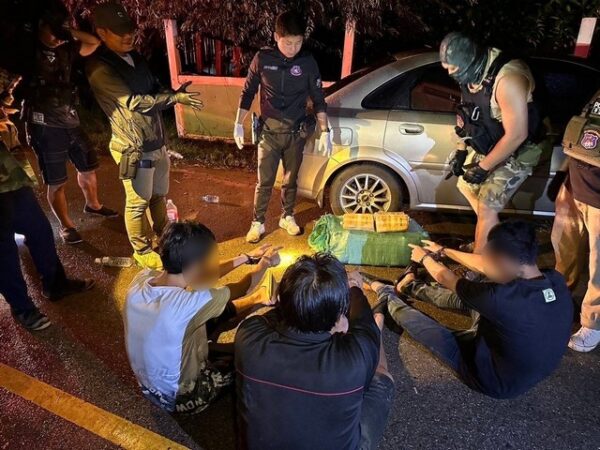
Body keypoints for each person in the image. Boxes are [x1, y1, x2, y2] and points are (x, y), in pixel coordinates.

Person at [366, 221, 572, 399]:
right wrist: (442, 250)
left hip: (492, 379)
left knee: (422, 327)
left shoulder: (499, 299)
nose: (484, 261)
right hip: (514, 356)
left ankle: (386, 293)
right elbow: (483, 267)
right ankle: (410, 286)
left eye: (489, 257)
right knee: (477, 290)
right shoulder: (554, 280)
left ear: (503, 260)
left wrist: (424, 259)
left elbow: (445, 277)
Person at [235, 253, 394, 450]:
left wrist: (296, 295)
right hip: (350, 345)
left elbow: (278, 314)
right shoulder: (354, 358)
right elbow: (365, 324)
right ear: (337, 314)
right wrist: (353, 287)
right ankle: (378, 319)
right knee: (382, 374)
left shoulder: (248, 335)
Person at [86, 1, 203, 269]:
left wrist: (172, 93)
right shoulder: (99, 68)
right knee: (138, 201)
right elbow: (134, 101)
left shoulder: (135, 57)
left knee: (159, 195)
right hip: (133, 146)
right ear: (102, 32)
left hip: (155, 141)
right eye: (119, 31)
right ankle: (141, 249)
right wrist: (174, 98)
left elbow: (154, 86)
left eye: (129, 29)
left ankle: (166, 239)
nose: (128, 35)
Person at [124, 221, 281, 414]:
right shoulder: (187, 305)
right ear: (196, 265)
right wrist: (265, 263)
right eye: (210, 259)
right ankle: (257, 300)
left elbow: (201, 274)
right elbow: (244, 286)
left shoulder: (142, 279)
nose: (212, 263)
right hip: (179, 397)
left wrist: (246, 258)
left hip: (149, 384)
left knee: (207, 310)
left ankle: (259, 297)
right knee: (251, 358)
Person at [0, 67, 94, 331]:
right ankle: (23, 307)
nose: (11, 93)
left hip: (10, 176)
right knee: (3, 249)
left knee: (40, 230)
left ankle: (55, 284)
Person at [441, 32, 548, 254]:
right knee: (465, 185)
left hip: (521, 148)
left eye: (453, 68)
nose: (450, 73)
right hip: (493, 141)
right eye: (446, 68)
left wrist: (483, 167)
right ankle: (492, 239)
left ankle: (481, 262)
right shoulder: (470, 76)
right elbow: (467, 116)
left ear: (470, 61)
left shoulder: (508, 80)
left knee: (487, 205)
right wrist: (461, 151)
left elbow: (517, 135)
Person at [23, 0, 118, 245]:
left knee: (88, 166)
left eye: (60, 33)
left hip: (70, 120)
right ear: (40, 26)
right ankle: (67, 226)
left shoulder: (66, 48)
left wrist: (66, 31)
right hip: (44, 125)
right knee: (56, 181)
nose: (57, 39)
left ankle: (93, 205)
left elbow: (94, 42)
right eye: (53, 32)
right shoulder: (26, 51)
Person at [234, 11, 331, 244]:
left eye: (298, 43)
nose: (293, 48)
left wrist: (325, 130)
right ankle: (258, 222)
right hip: (268, 132)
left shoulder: (307, 62)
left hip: (296, 132)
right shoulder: (263, 59)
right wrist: (238, 123)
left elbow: (318, 98)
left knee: (291, 179)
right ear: (276, 37)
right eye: (288, 43)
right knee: (265, 181)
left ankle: (287, 216)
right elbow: (247, 92)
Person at [550, 89, 600, 352]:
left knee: (598, 267)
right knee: (564, 252)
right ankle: (559, 302)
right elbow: (582, 135)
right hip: (575, 187)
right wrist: (563, 177)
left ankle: (593, 323)